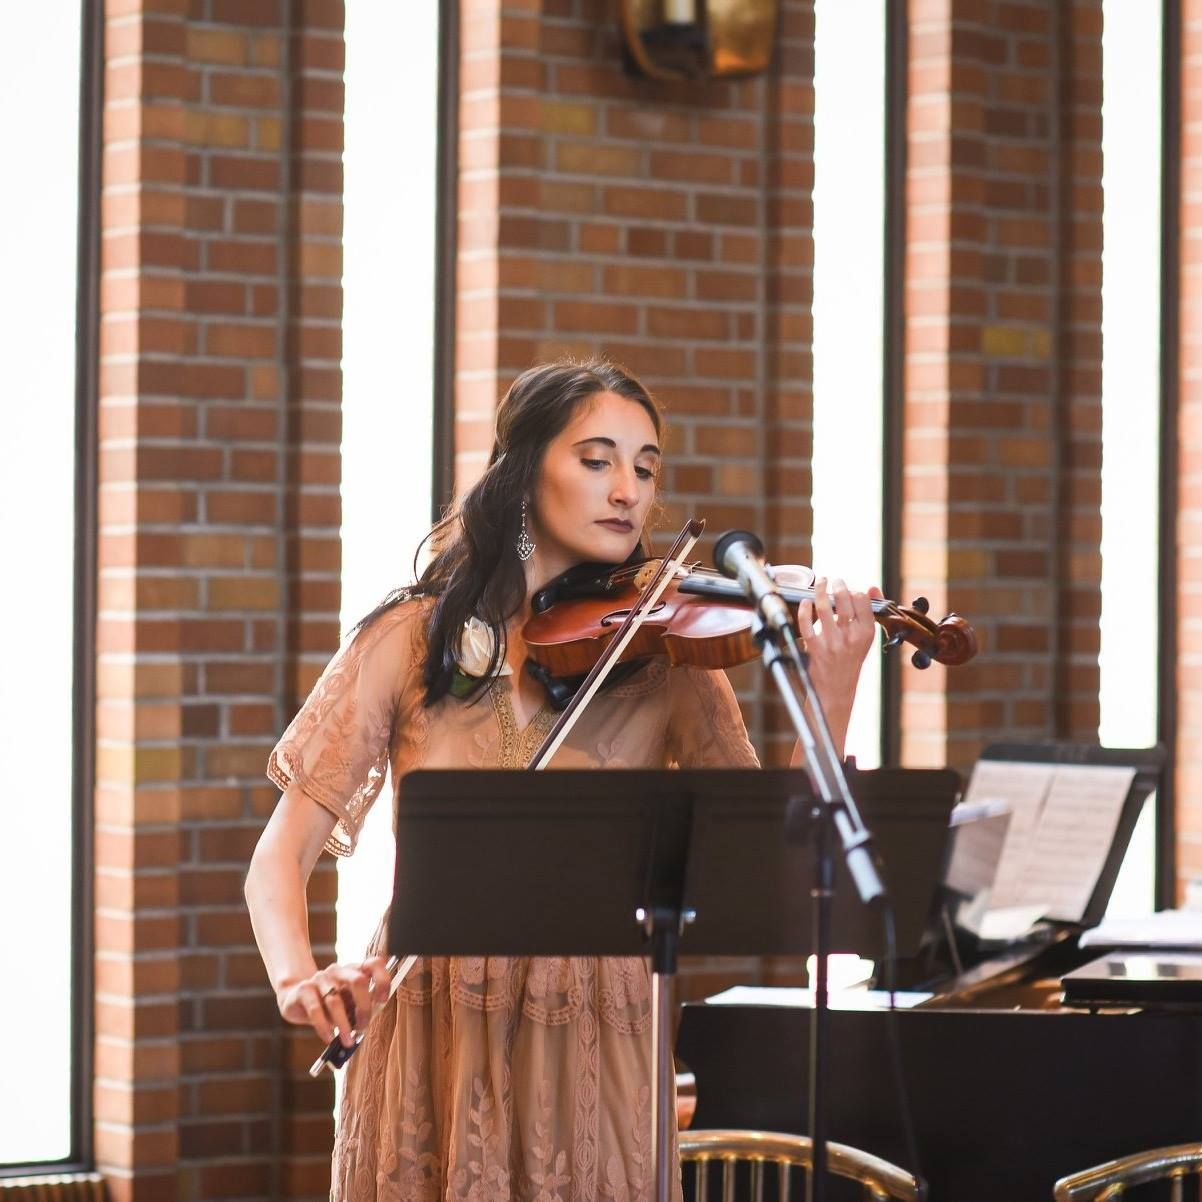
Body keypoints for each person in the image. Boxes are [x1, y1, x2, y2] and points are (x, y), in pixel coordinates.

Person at [244, 359, 878, 1202]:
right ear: (521, 472)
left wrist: (831, 691)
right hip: (433, 1021)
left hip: (595, 1033)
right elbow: (280, 856)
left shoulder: (666, 656)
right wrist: (300, 980)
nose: (628, 491)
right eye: (597, 460)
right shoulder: (409, 640)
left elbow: (770, 856)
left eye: (645, 468)